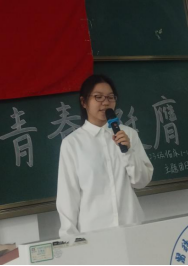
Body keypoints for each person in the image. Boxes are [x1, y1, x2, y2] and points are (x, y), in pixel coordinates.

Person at [56, 74, 154, 238]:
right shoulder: (72, 143)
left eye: (110, 97)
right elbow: (68, 195)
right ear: (84, 102)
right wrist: (70, 238)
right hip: (94, 233)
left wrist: (128, 152)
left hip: (132, 226)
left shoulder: (128, 134)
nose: (106, 102)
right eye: (98, 97)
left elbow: (141, 181)